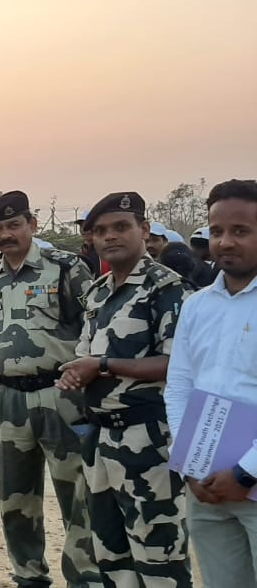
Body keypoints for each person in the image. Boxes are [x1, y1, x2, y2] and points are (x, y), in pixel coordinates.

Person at [0, 192, 101, 588]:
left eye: (14, 225)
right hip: (9, 400)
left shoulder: (66, 268)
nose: (6, 235)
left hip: (62, 396)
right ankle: (28, 575)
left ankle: (85, 578)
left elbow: (93, 330)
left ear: (32, 225)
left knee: (78, 497)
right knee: (15, 499)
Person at [56, 191, 193, 586]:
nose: (109, 236)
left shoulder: (166, 288)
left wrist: (101, 365)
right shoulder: (97, 292)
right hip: (101, 439)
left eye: (121, 227)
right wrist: (75, 373)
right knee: (110, 554)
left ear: (144, 230)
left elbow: (177, 363)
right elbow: (84, 353)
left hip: (149, 441)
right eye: (100, 231)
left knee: (158, 555)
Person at [166, 179, 257, 588]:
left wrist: (244, 473)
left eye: (240, 231)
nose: (225, 243)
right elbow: (180, 385)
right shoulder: (196, 305)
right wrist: (187, 462)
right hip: (205, 484)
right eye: (217, 231)